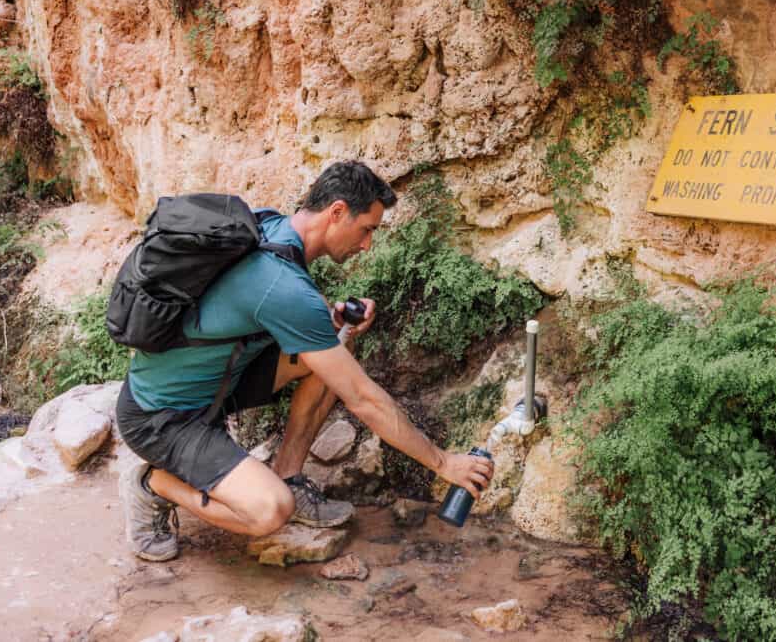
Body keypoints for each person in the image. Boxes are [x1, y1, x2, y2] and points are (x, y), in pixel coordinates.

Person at [115, 161, 494, 562]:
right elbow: (362, 398)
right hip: (161, 417)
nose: (367, 245)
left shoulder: (271, 229)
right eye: (367, 229)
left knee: (334, 350)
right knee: (270, 511)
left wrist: (331, 328)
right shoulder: (283, 285)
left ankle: (288, 474)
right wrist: (443, 462)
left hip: (212, 384)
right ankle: (150, 484)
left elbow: (251, 313)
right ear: (336, 212)